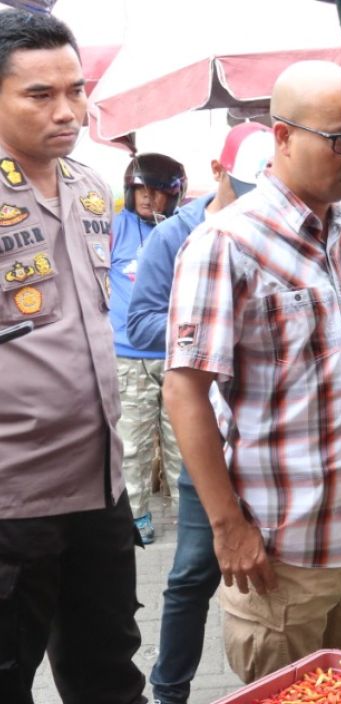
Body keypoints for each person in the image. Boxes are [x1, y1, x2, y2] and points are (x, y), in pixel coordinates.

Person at [163, 61, 341, 683]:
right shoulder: (226, 243)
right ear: (282, 137)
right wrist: (227, 528)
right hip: (283, 557)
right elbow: (185, 392)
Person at [0, 11, 145, 704]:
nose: (66, 111)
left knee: (114, 690)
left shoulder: (94, 189)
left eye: (77, 91)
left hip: (98, 491)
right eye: (39, 94)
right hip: (10, 505)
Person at [126, 122, 273, 704]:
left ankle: (280, 700)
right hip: (207, 434)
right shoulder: (175, 236)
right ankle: (168, 698)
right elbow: (139, 327)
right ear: (217, 171)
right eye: (241, 187)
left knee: (279, 574)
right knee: (192, 570)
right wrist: (211, 327)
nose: (253, 201)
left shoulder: (280, 227)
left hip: (273, 438)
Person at [109, 152, 187, 545]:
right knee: (132, 444)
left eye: (156, 191)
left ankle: (188, 515)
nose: (146, 199)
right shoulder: (115, 229)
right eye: (139, 190)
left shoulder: (185, 230)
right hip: (128, 355)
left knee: (184, 443)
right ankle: (135, 515)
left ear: (172, 195)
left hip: (179, 356)